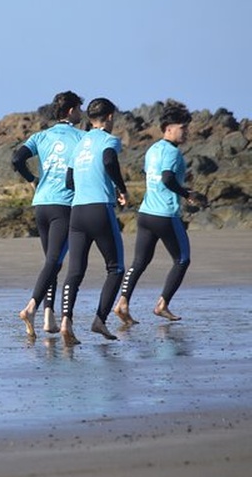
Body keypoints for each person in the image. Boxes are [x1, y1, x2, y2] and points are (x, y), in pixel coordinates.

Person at [113, 100, 206, 325]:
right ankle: (162, 305)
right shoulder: (173, 153)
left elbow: (154, 177)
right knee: (182, 260)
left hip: (146, 214)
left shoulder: (153, 149)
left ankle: (122, 303)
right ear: (169, 128)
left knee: (139, 261)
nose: (187, 131)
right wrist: (186, 193)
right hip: (165, 215)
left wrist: (181, 184)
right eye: (183, 127)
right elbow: (166, 178)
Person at [12, 91, 85, 338]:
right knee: (54, 261)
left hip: (41, 204)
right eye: (79, 109)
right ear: (71, 111)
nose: (81, 114)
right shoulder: (81, 138)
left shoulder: (40, 136)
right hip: (64, 205)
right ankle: (31, 307)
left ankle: (48, 317)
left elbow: (17, 159)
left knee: (51, 262)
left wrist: (32, 179)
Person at [59, 98, 128, 346]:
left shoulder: (80, 144)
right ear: (109, 117)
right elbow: (109, 161)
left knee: (75, 271)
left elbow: (69, 181)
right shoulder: (109, 140)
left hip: (77, 211)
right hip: (100, 210)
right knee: (115, 268)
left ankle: (65, 321)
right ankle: (99, 320)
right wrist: (121, 188)